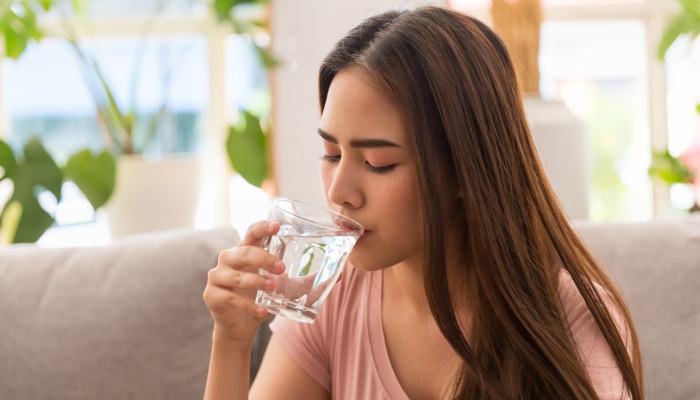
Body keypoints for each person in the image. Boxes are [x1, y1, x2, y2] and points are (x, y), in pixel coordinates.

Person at [203, 6, 644, 400]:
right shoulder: (334, 300)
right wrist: (232, 342)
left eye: (378, 163)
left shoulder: (572, 321)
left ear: (462, 170)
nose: (339, 191)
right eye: (332, 155)